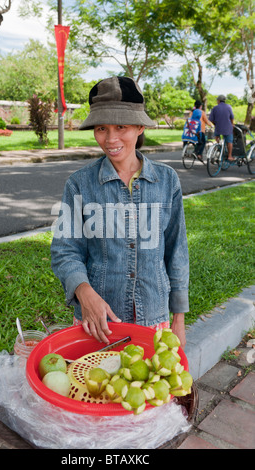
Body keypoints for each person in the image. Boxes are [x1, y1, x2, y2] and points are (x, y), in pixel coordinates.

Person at [51, 76, 189, 349]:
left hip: (154, 318)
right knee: (97, 389)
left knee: (148, 389)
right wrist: (84, 292)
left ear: (139, 127)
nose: (111, 139)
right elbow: (64, 250)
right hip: (98, 323)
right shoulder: (79, 184)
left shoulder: (167, 180)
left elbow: (177, 252)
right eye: (102, 128)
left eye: (121, 127)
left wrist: (179, 320)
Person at [209, 95, 235, 162]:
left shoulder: (215, 108)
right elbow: (232, 117)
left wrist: (216, 124)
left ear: (219, 101)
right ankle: (229, 156)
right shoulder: (228, 107)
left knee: (217, 136)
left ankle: (218, 146)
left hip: (218, 128)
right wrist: (232, 124)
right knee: (229, 141)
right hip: (227, 128)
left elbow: (211, 120)